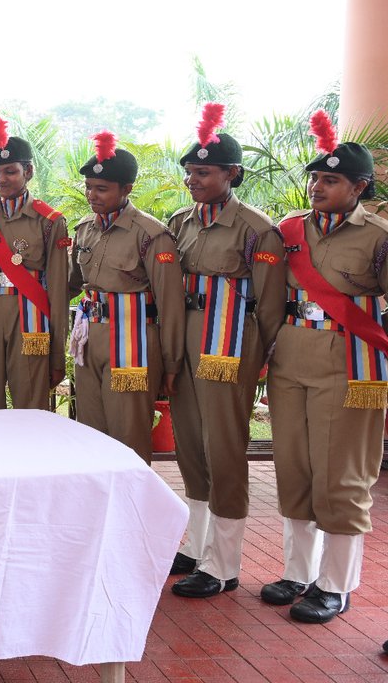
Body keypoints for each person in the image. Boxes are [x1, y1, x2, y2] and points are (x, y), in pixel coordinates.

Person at [260, 110, 388, 624]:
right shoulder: (289, 231)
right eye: (314, 178)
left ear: (359, 186)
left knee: (341, 477)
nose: (317, 187)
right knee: (294, 468)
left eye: (330, 180)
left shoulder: (378, 236)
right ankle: (298, 571)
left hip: (348, 364)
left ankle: (336, 584)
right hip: (291, 356)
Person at [165, 104, 286, 598]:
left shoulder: (256, 228)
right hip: (187, 338)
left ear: (232, 174)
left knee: (224, 448)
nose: (194, 179)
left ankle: (224, 563)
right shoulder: (180, 221)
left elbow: (271, 305)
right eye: (191, 171)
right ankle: (197, 545)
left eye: (205, 172)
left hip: (227, 344)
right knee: (190, 444)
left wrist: (259, 361)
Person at [68, 131, 185, 463]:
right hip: (89, 342)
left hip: (132, 342)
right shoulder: (84, 230)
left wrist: (172, 361)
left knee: (128, 435)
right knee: (89, 430)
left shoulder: (151, 235)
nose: (92, 195)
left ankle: (133, 510)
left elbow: (170, 304)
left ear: (126, 190)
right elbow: (72, 284)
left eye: (102, 189)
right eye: (89, 187)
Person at [0, 116, 69, 410]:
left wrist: (57, 356)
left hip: (30, 320)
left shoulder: (50, 222)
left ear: (29, 171)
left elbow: (58, 292)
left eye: (11, 171)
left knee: (31, 404)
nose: (2, 179)